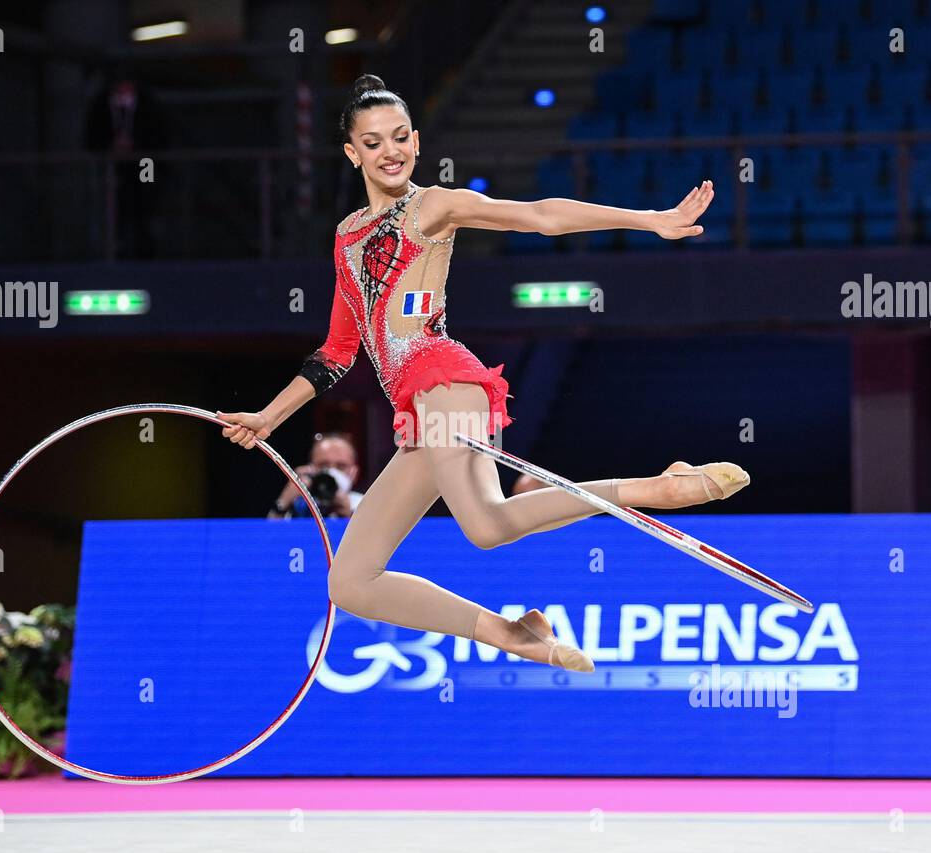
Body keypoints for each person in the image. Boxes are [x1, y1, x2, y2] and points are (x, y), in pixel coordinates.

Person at [218, 74, 748, 673]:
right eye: (372, 142)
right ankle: (513, 633)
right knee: (352, 581)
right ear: (351, 153)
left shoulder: (434, 206)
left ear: (416, 142)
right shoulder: (345, 238)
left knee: (486, 527)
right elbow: (338, 351)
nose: (389, 152)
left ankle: (655, 488)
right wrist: (267, 416)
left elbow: (540, 215)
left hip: (444, 380)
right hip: (417, 409)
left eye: (399, 138)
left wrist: (648, 219)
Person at [269, 431, 364, 519]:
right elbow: (269, 534)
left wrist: (349, 517)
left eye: (341, 466)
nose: (331, 472)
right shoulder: (298, 506)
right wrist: (284, 502)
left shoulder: (365, 505)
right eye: (323, 465)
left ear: (354, 473)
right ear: (310, 468)